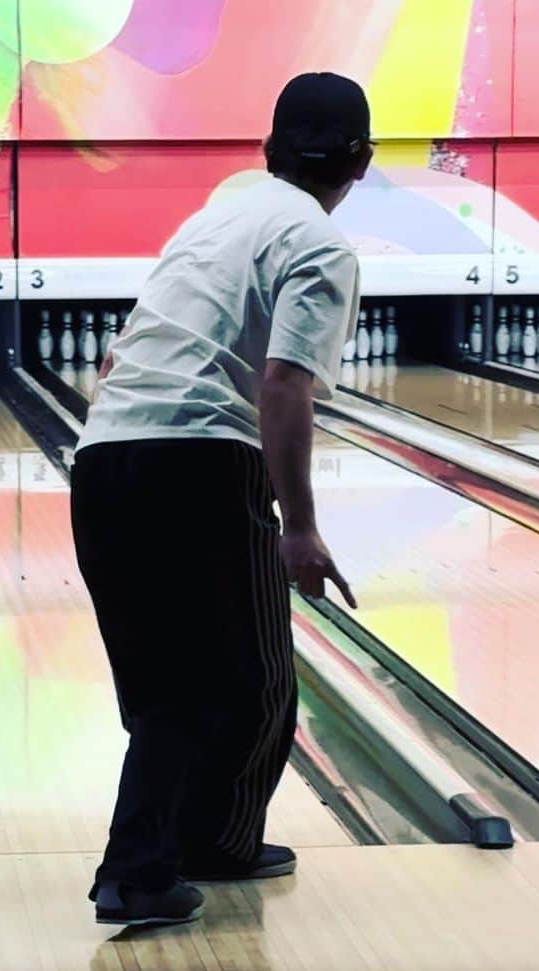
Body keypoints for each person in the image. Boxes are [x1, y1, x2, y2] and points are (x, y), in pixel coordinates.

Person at [71, 72, 371, 927]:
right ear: (362, 161)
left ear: (269, 150)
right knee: (246, 680)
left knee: (166, 684)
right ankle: (156, 865)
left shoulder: (218, 215)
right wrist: (301, 528)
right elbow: (283, 385)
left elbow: (115, 359)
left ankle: (184, 850)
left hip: (105, 458)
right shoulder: (320, 243)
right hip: (199, 462)